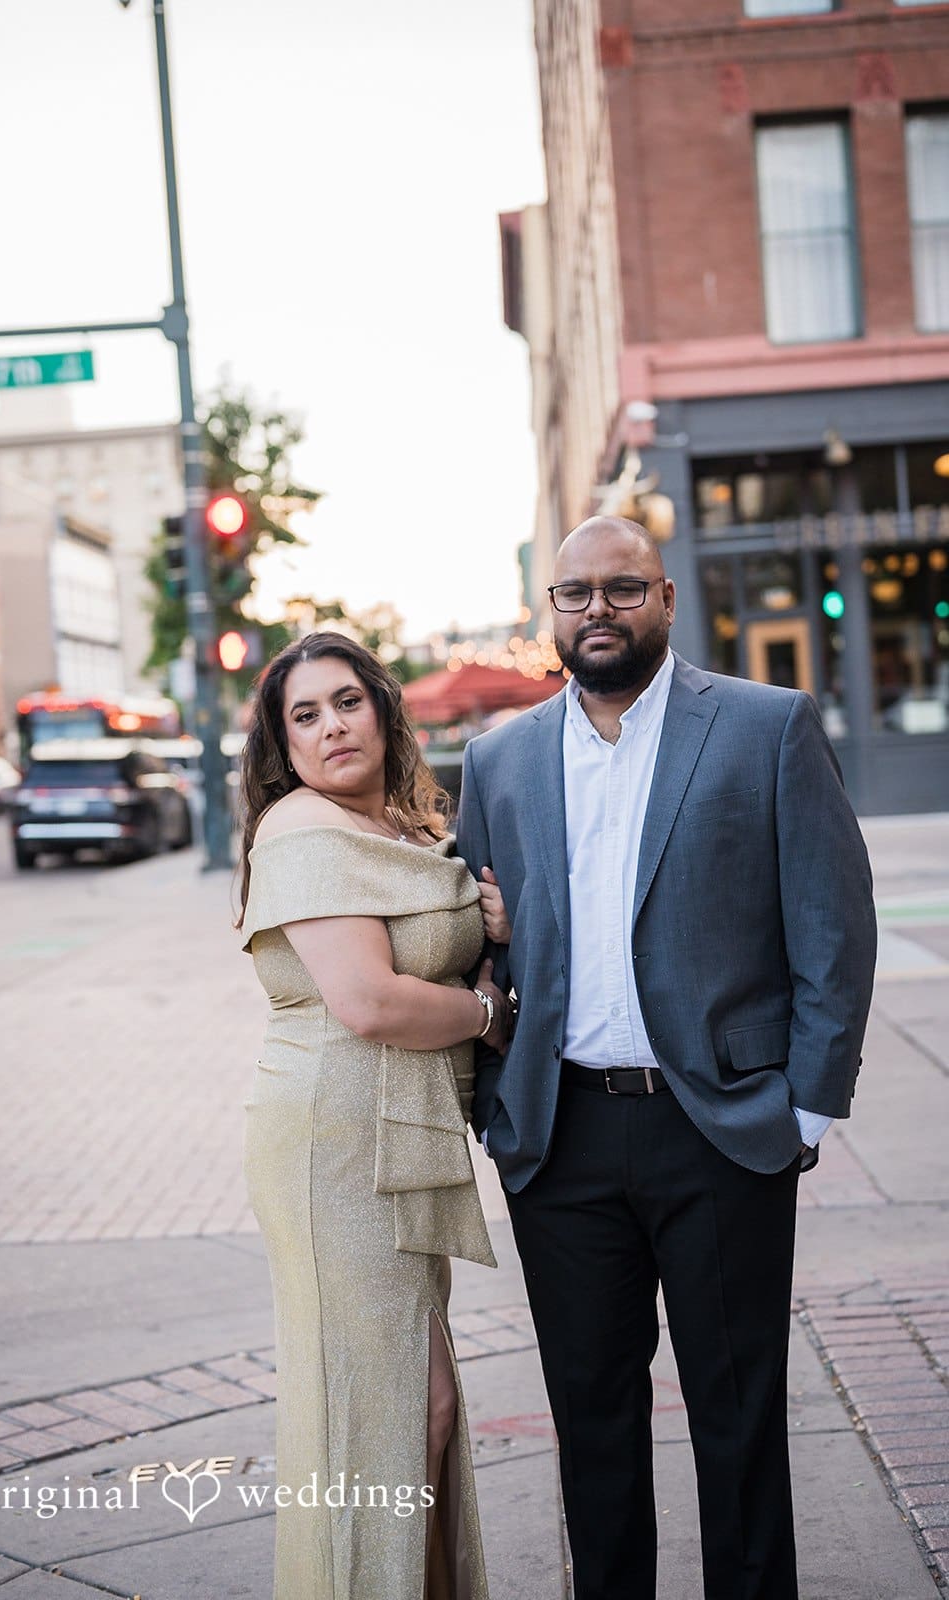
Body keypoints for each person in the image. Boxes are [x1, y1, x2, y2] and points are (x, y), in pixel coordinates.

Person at [455, 516, 878, 1600]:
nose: (596, 609)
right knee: (590, 1418)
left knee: (736, 1412)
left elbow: (832, 923)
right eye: (573, 593)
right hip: (561, 1135)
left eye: (620, 588)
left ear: (665, 599)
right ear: (547, 612)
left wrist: (805, 1108)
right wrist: (491, 1091)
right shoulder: (496, 759)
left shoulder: (761, 726)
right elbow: (474, 943)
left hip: (721, 1125)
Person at [237, 631, 513, 1600]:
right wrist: (488, 1014)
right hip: (335, 1146)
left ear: (381, 710)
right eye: (302, 714)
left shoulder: (398, 826)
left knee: (418, 1407)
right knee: (384, 1412)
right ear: (282, 744)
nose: (330, 725)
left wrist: (489, 922)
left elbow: (432, 943)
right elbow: (370, 1001)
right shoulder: (302, 829)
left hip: (396, 1136)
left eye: (344, 701)